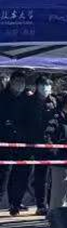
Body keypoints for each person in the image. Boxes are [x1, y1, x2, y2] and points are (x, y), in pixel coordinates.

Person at [17, 75, 56, 215]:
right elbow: (21, 121)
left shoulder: (53, 102)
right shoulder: (28, 101)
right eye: (43, 85)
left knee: (42, 177)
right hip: (29, 142)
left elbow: (55, 121)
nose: (45, 88)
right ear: (37, 86)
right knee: (24, 173)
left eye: (48, 85)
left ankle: (41, 205)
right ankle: (16, 203)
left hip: (45, 143)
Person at [0, 71, 27, 212]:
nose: (20, 84)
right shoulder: (3, 97)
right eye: (17, 81)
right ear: (11, 81)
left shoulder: (25, 98)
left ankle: (15, 203)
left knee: (19, 174)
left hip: (21, 142)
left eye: (22, 81)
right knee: (4, 175)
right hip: (5, 141)